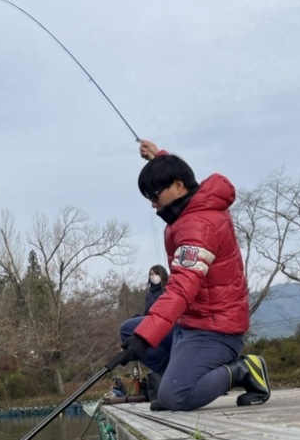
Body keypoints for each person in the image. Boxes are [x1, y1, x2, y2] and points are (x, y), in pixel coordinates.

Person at [116, 140, 271, 411]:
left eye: (155, 194)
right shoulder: (192, 206)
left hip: (216, 331)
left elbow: (182, 288)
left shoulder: (198, 225)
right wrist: (159, 159)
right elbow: (180, 178)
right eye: (149, 197)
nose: (153, 204)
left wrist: (146, 337)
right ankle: (176, 379)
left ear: (178, 186)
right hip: (189, 326)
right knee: (129, 331)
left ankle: (245, 370)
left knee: (176, 396)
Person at [118, 265, 172, 403]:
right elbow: (148, 312)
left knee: (127, 329)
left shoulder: (168, 289)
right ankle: (167, 371)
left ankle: (167, 369)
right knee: (128, 330)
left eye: (156, 274)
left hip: (166, 322)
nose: (153, 277)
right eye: (151, 274)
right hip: (152, 320)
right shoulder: (149, 294)